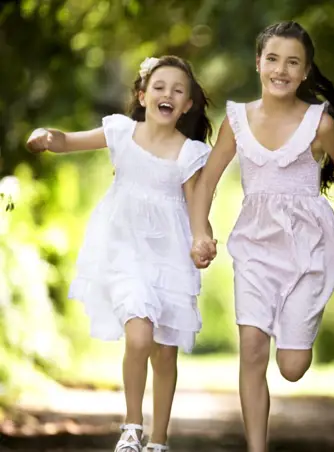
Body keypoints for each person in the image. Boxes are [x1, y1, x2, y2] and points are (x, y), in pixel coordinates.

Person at [188, 21, 334, 452]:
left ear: (305, 72)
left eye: (292, 63)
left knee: (291, 367)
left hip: (309, 247)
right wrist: (200, 230)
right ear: (258, 63)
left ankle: (301, 327)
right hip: (255, 246)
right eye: (272, 59)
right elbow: (208, 180)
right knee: (251, 347)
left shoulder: (319, 123)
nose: (281, 70)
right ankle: (256, 447)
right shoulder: (237, 120)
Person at [25, 55, 213, 452]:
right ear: (143, 96)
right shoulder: (121, 132)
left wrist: (202, 239)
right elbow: (68, 140)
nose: (168, 95)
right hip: (123, 249)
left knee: (165, 355)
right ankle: (132, 427)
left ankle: (159, 441)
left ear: (188, 105)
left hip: (170, 255)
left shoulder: (190, 153)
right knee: (140, 335)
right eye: (160, 87)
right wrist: (46, 135)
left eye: (179, 91)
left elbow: (197, 209)